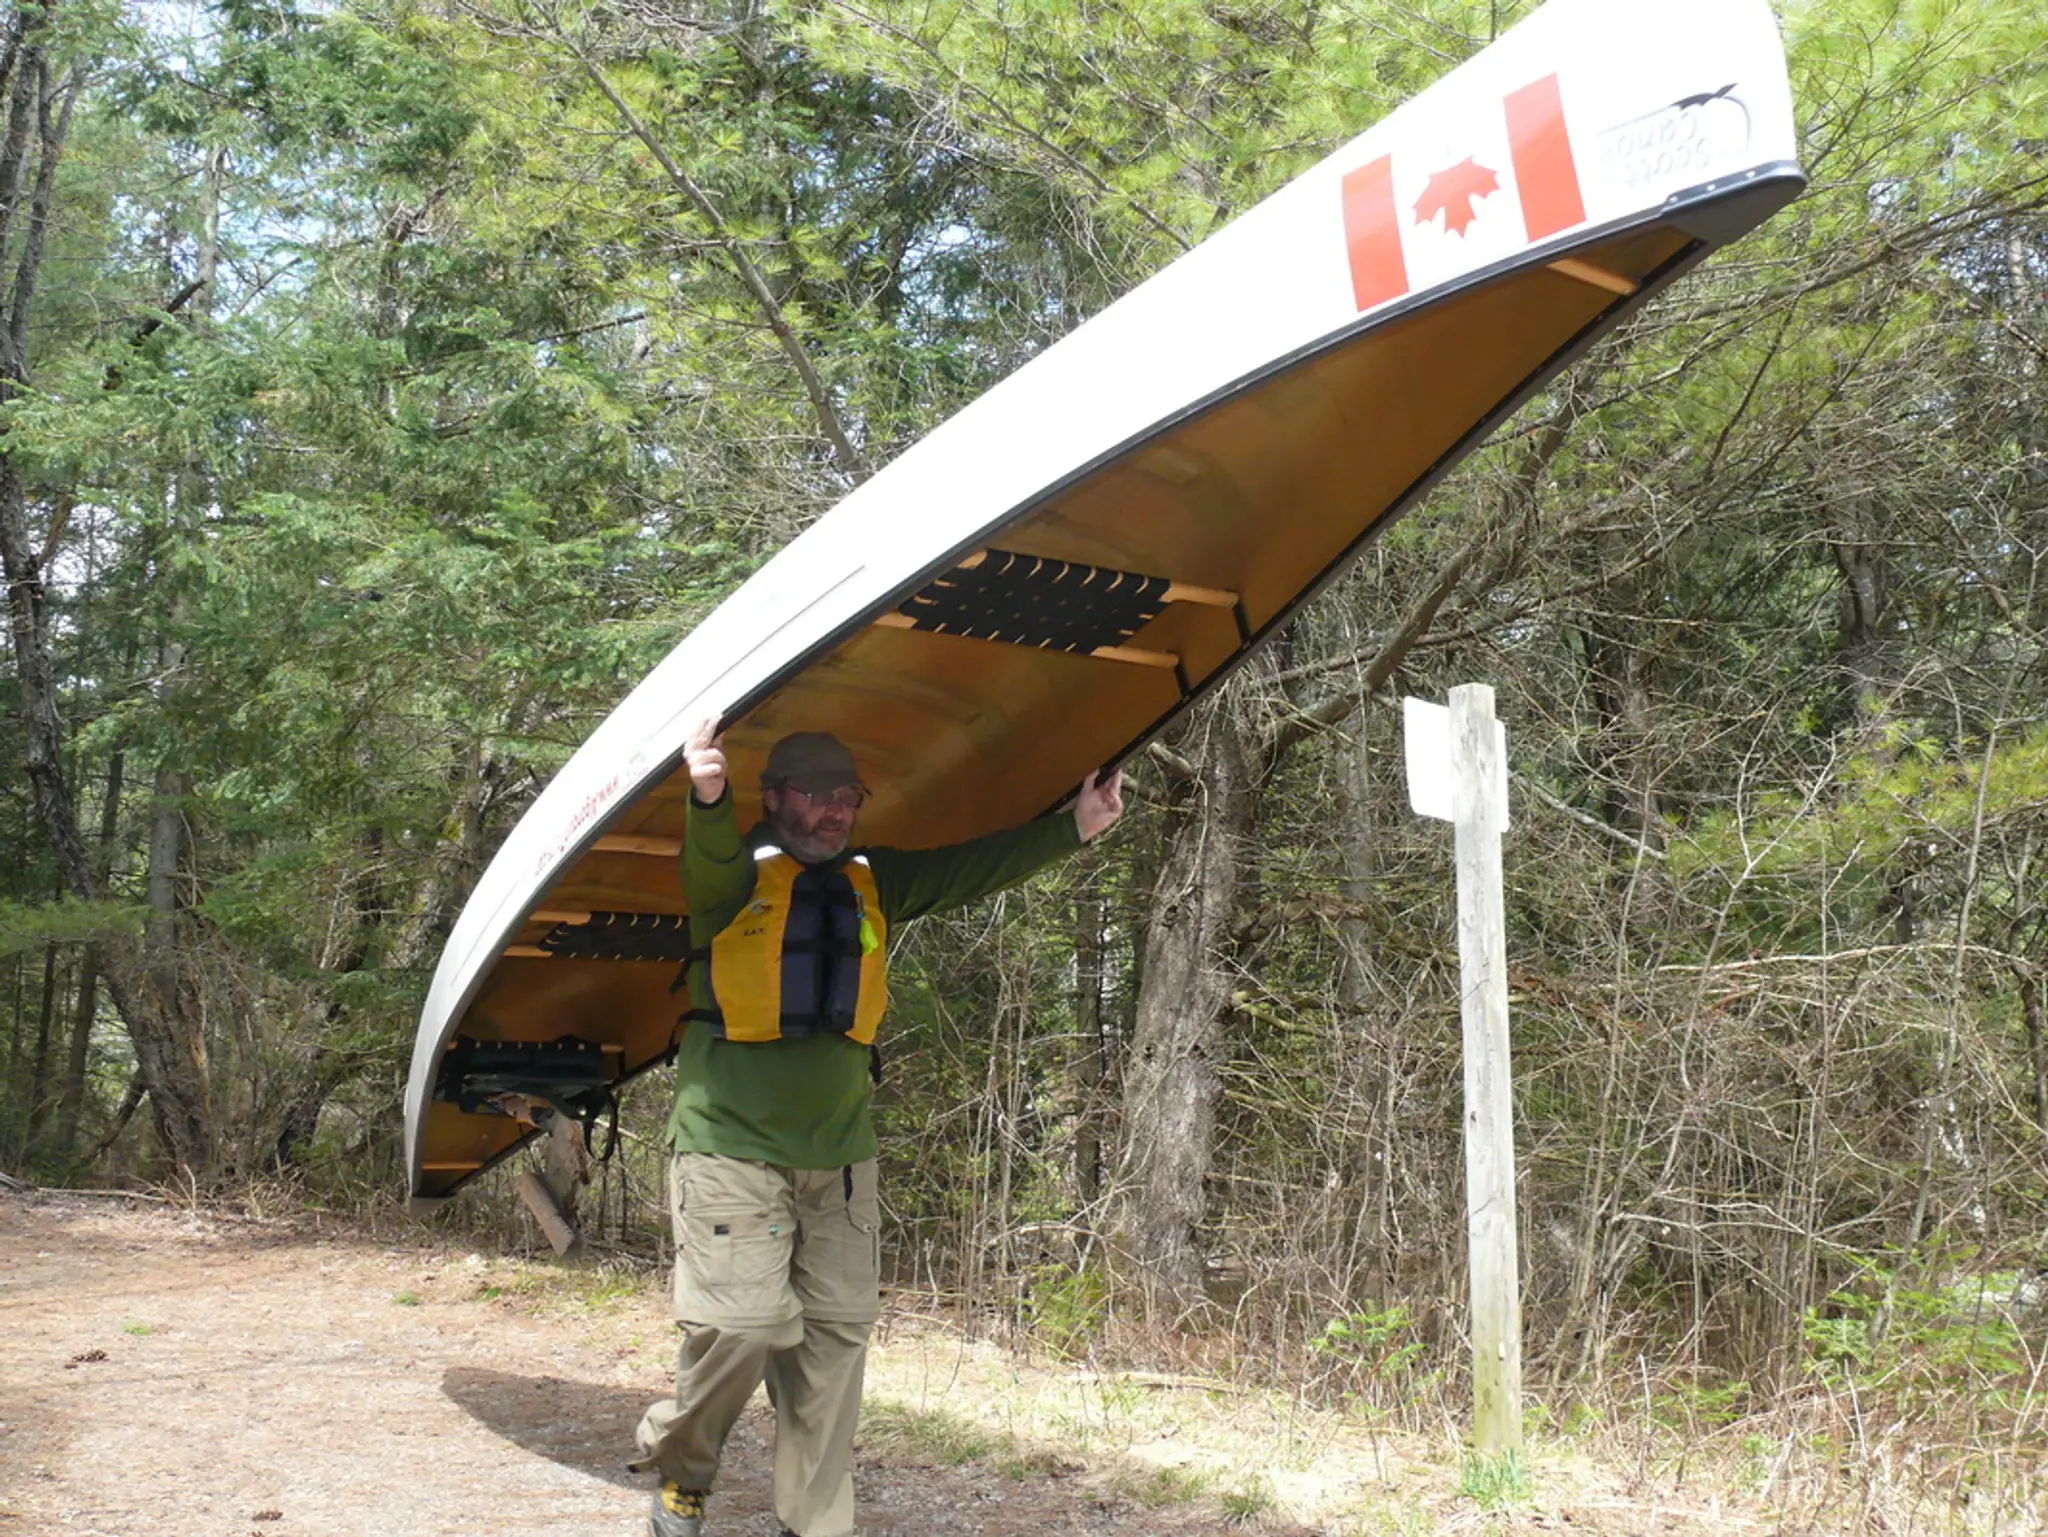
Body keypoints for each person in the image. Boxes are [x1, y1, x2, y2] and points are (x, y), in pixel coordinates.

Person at [633, 719, 1124, 1537]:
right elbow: (708, 857)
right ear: (777, 797)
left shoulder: (874, 880)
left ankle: (815, 1522)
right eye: (819, 797)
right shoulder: (729, 877)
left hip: (841, 1157)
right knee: (744, 1325)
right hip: (730, 1143)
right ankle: (681, 1470)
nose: (836, 813)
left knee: (832, 1348)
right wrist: (708, 795)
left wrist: (1075, 825)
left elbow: (970, 869)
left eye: (848, 797)